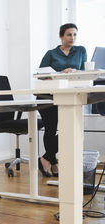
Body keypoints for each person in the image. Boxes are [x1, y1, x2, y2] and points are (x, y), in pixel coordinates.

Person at [37, 23, 87, 177]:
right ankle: (53, 162)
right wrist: (60, 73)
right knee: (51, 129)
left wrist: (74, 71)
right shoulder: (51, 53)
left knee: (69, 130)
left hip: (70, 96)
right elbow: (41, 74)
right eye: (69, 34)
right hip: (48, 95)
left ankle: (46, 158)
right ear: (61, 36)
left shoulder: (80, 50)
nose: (72, 38)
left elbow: (85, 72)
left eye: (74, 34)